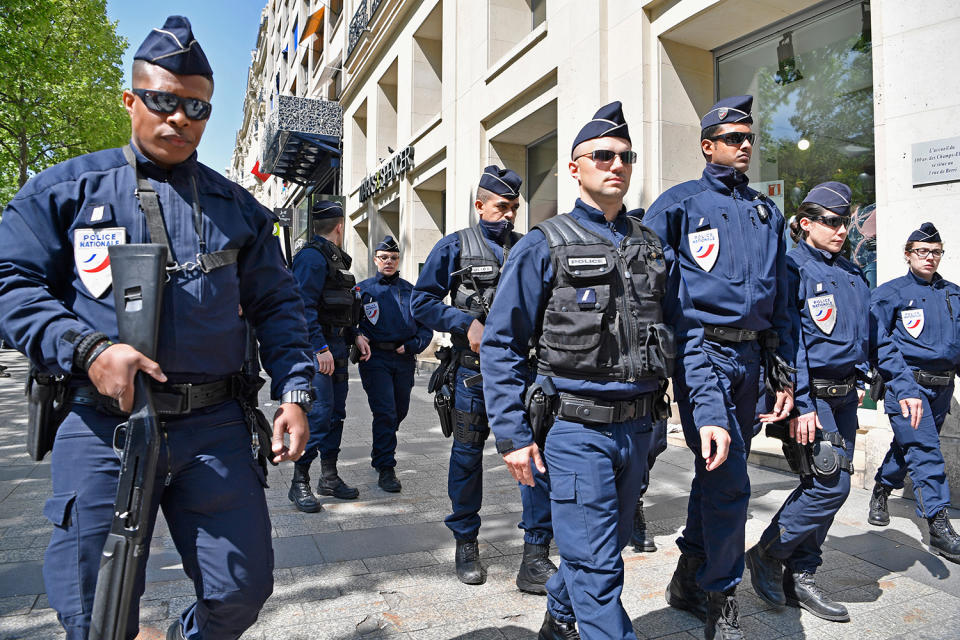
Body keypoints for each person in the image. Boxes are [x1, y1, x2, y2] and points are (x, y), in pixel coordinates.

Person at [0, 16, 315, 640]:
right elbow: (11, 282)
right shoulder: (64, 191)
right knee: (92, 612)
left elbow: (279, 305)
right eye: (162, 101)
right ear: (131, 99)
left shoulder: (241, 209)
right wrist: (86, 349)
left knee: (241, 592)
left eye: (195, 107)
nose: (179, 119)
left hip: (215, 429)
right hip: (102, 425)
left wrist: (295, 391)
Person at [481, 102, 728, 640]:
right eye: (602, 155)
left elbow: (686, 338)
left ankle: (559, 617)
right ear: (575, 167)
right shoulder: (541, 246)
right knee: (598, 568)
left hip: (640, 430)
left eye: (625, 156)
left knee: (602, 544)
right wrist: (512, 437)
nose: (615, 165)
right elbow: (500, 345)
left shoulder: (653, 248)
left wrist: (707, 412)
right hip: (575, 431)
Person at [643, 95, 795, 638]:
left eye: (750, 138)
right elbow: (645, 287)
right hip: (701, 349)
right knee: (731, 482)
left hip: (752, 357)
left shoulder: (765, 211)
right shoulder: (679, 204)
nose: (745, 146)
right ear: (708, 146)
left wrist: (783, 367)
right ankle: (721, 595)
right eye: (733, 138)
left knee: (716, 468)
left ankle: (688, 575)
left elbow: (780, 296)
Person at [744, 183, 922, 621]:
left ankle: (801, 576)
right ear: (805, 223)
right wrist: (802, 404)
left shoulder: (853, 274)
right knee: (830, 485)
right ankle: (767, 553)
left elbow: (880, 340)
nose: (840, 230)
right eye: (830, 221)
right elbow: (789, 342)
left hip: (844, 398)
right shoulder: (791, 269)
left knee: (823, 489)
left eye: (844, 222)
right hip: (812, 399)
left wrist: (907, 386)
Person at [412, 165, 556, 592]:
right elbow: (420, 301)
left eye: (514, 207)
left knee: (534, 458)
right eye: (501, 206)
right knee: (466, 458)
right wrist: (463, 323)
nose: (510, 215)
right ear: (480, 205)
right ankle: (466, 541)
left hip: (524, 373)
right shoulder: (454, 246)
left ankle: (535, 555)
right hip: (472, 375)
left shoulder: (530, 247)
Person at [867, 222, 960, 563]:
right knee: (925, 450)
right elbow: (875, 340)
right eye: (922, 251)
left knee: (909, 448)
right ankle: (939, 526)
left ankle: (881, 488)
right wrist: (893, 379)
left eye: (936, 252)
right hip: (908, 386)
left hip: (941, 388)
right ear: (908, 255)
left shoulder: (953, 293)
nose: (930, 257)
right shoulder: (890, 293)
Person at [289, 200, 361, 510]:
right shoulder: (312, 258)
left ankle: (329, 478)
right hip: (319, 350)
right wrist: (319, 348)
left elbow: (342, 307)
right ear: (340, 226)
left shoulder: (333, 259)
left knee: (336, 415)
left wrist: (356, 335)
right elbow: (301, 307)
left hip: (338, 346)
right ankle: (299, 482)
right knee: (319, 415)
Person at [354, 235, 433, 492]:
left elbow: (425, 328)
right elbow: (349, 323)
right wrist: (357, 336)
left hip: (404, 358)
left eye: (393, 258)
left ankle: (380, 451)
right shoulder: (362, 290)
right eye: (384, 257)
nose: (389, 261)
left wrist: (412, 346)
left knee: (400, 411)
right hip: (374, 358)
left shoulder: (411, 291)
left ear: (399, 261)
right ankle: (386, 467)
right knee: (386, 412)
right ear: (376, 259)